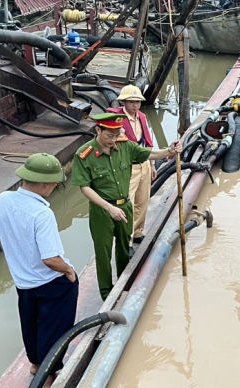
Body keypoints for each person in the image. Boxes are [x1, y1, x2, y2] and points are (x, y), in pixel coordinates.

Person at [72, 113, 183, 300]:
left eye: (116, 135)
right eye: (109, 135)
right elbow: (85, 188)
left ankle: (124, 283)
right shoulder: (85, 154)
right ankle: (107, 293)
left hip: (125, 208)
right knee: (103, 251)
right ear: (98, 130)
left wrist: (169, 151)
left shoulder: (124, 146)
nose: (113, 139)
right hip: (102, 211)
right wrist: (109, 208)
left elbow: (150, 154)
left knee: (124, 248)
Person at [0, 153, 78, 375]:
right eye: (53, 185)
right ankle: (51, 371)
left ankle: (35, 364)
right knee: (55, 325)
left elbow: (3, 238)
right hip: (49, 281)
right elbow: (50, 259)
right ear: (44, 185)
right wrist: (69, 271)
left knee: (30, 322)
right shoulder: (42, 213)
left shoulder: (2, 199)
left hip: (22, 281)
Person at [107, 85, 155, 250]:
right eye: (132, 102)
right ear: (123, 102)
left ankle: (138, 232)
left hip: (145, 164)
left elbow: (148, 141)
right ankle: (126, 240)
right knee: (128, 203)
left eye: (138, 102)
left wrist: (153, 164)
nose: (135, 105)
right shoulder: (115, 119)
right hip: (128, 167)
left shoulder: (141, 117)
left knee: (143, 201)